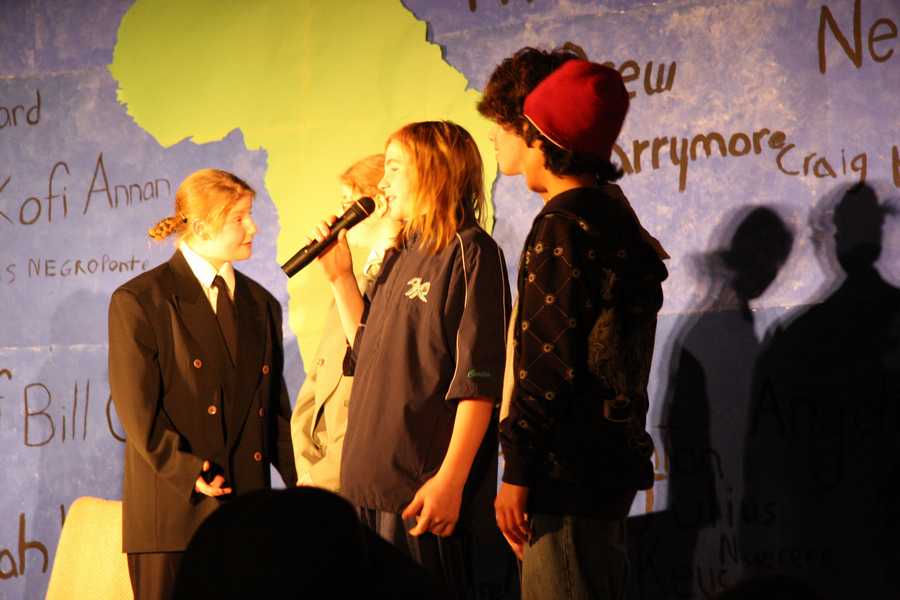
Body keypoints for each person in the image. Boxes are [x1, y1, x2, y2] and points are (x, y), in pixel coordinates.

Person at [478, 48, 668, 599]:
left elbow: (548, 362)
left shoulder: (561, 227)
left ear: (539, 138)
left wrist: (518, 470)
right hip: (609, 465)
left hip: (564, 475)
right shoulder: (615, 218)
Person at [311, 121, 511, 598]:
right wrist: (341, 278)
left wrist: (450, 481)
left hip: (419, 493)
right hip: (364, 484)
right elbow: (367, 353)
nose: (382, 183)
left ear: (433, 172)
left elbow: (478, 382)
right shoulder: (400, 251)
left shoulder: (470, 251)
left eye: (395, 168)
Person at [108, 168, 297, 600]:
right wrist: (189, 471)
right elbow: (138, 411)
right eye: (239, 218)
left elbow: (273, 412)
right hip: (174, 518)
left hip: (246, 517)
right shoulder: (141, 301)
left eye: (250, 215)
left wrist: (303, 479)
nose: (254, 228)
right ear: (201, 225)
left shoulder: (262, 304)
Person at [291, 154, 400, 492]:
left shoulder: (403, 277)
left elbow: (379, 386)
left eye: (346, 203)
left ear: (378, 203)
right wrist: (308, 464)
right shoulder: (353, 280)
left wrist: (329, 471)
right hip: (322, 473)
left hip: (362, 469)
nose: (339, 216)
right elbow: (317, 381)